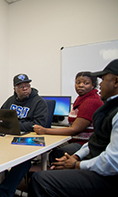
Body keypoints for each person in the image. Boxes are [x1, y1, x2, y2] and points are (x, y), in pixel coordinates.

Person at [28, 59, 118, 197]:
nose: (100, 86)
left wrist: (76, 164)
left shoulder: (93, 102)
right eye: (78, 82)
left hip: (108, 177)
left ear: (116, 82)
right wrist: (76, 156)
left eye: (103, 79)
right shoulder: (103, 104)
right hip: (92, 154)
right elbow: (96, 139)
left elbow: (112, 161)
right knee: (59, 155)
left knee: (40, 178)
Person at [0, 74, 48, 197]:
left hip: (30, 138)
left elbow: (38, 125)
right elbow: (0, 116)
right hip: (9, 135)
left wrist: (14, 124)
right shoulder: (10, 100)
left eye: (27, 86)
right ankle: (4, 178)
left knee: (24, 160)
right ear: (15, 89)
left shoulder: (39, 102)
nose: (25, 88)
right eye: (21, 86)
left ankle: (3, 193)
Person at [34, 71, 103, 163]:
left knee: (56, 152)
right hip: (76, 140)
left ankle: (54, 175)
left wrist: (45, 130)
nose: (81, 85)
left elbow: (75, 129)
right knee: (49, 144)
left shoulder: (91, 101)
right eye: (78, 82)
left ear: (93, 85)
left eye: (86, 83)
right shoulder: (82, 98)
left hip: (85, 144)